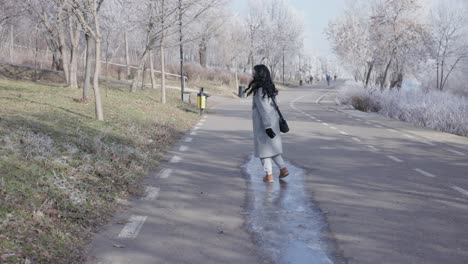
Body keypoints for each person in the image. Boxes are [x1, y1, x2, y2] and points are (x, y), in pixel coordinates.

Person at [245, 64, 289, 183]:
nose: (252, 74)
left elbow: (263, 109)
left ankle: (269, 175)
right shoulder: (268, 88)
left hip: (264, 124)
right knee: (272, 149)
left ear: (259, 74)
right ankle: (283, 169)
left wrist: (267, 126)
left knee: (264, 151)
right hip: (272, 122)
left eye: (254, 72)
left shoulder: (259, 91)